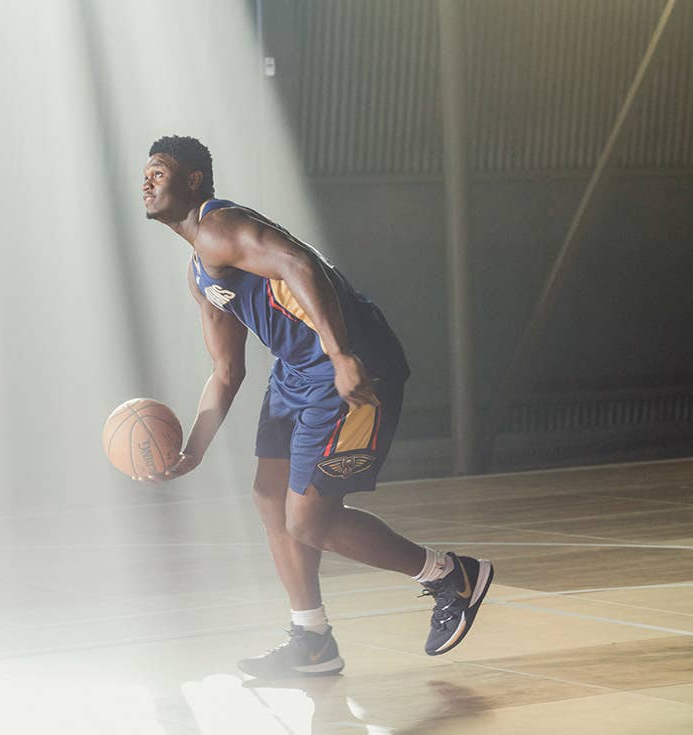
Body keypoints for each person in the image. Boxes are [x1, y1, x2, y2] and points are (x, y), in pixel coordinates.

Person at [139, 135, 493, 678]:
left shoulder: (219, 225)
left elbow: (299, 262)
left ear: (192, 181)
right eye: (145, 173)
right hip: (297, 372)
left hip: (344, 366)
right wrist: (192, 449)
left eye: (158, 172)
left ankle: (448, 575)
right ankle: (312, 640)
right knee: (268, 496)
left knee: (310, 523)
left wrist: (340, 351)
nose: (146, 181)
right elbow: (226, 371)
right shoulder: (198, 272)